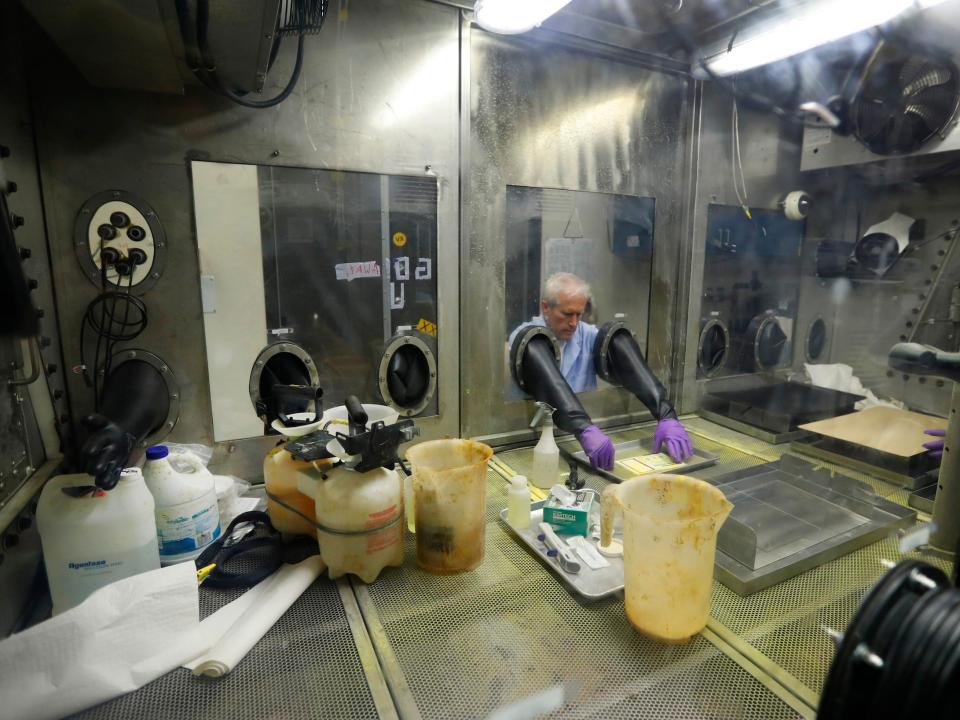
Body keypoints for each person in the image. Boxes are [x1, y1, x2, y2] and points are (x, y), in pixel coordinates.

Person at [512, 272, 693, 468]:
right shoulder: (524, 340)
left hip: (589, 440)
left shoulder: (586, 334)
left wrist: (666, 415)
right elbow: (546, 382)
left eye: (579, 314)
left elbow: (619, 352)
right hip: (533, 441)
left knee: (614, 336)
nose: (574, 323)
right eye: (566, 314)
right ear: (545, 307)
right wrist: (584, 429)